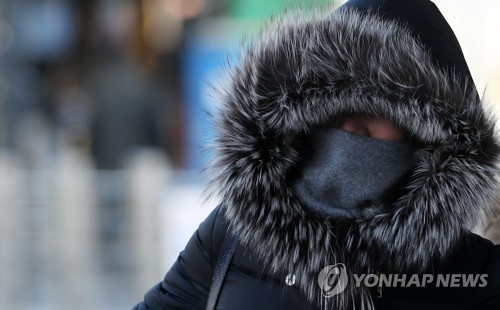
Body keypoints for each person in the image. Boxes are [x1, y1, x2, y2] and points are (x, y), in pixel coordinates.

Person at [134, 0, 500, 309]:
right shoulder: (234, 232)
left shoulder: (473, 270)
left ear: (430, 136)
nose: (349, 126)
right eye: (333, 104)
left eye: (377, 107)